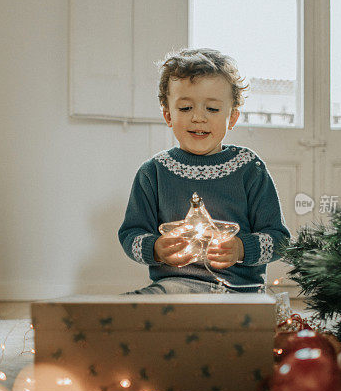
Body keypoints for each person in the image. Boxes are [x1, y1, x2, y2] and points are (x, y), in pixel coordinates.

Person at [118, 48, 291, 294]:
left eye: (212, 109)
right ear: (168, 114)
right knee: (128, 310)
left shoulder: (249, 168)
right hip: (175, 287)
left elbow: (280, 240)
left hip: (240, 291)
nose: (199, 117)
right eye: (186, 108)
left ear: (232, 117)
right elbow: (130, 234)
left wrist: (241, 248)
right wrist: (155, 247)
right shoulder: (153, 173)